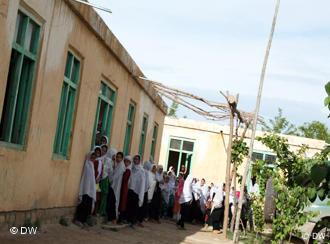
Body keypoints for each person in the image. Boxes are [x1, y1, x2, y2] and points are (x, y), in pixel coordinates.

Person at [74, 152, 97, 226]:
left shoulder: (92, 165)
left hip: (90, 189)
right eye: (92, 157)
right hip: (85, 188)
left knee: (88, 206)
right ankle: (78, 219)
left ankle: (83, 220)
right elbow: (85, 177)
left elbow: (92, 179)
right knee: (83, 204)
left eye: (94, 157)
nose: (93, 158)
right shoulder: (87, 165)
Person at [127, 155, 146, 227]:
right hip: (130, 190)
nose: (135, 160)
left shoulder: (141, 170)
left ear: (139, 160)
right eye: (134, 159)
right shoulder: (131, 168)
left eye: (137, 159)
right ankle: (128, 219)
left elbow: (142, 182)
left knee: (134, 207)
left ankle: (132, 221)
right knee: (129, 205)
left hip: (136, 191)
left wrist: (140, 192)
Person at [107, 151, 125, 223]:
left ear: (122, 158)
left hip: (116, 185)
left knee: (114, 201)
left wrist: (110, 180)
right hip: (114, 185)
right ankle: (112, 218)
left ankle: (114, 218)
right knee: (113, 200)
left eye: (119, 157)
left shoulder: (121, 166)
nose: (118, 158)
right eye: (117, 157)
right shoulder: (117, 165)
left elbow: (115, 176)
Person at [98, 144, 112, 216]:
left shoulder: (108, 160)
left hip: (105, 179)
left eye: (105, 150)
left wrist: (109, 180)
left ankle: (102, 211)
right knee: (98, 195)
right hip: (98, 179)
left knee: (104, 195)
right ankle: (96, 210)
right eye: (102, 149)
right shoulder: (98, 158)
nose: (103, 151)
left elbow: (110, 171)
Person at [118, 155, 132, 223]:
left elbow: (125, 179)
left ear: (129, 163)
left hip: (124, 187)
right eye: (125, 161)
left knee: (122, 202)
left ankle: (120, 218)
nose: (126, 163)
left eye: (128, 162)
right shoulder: (122, 168)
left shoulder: (128, 170)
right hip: (120, 186)